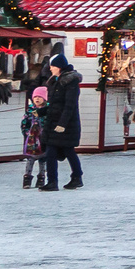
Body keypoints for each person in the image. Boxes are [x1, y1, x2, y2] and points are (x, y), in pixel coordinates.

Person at [43, 55, 85, 191]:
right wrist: (42, 111)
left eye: (53, 66)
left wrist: (62, 124)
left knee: (66, 150)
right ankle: (63, 179)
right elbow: (54, 104)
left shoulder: (70, 83)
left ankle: (69, 178)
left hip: (65, 124)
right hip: (54, 122)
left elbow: (69, 105)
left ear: (59, 67)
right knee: (54, 151)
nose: (50, 68)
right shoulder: (55, 82)